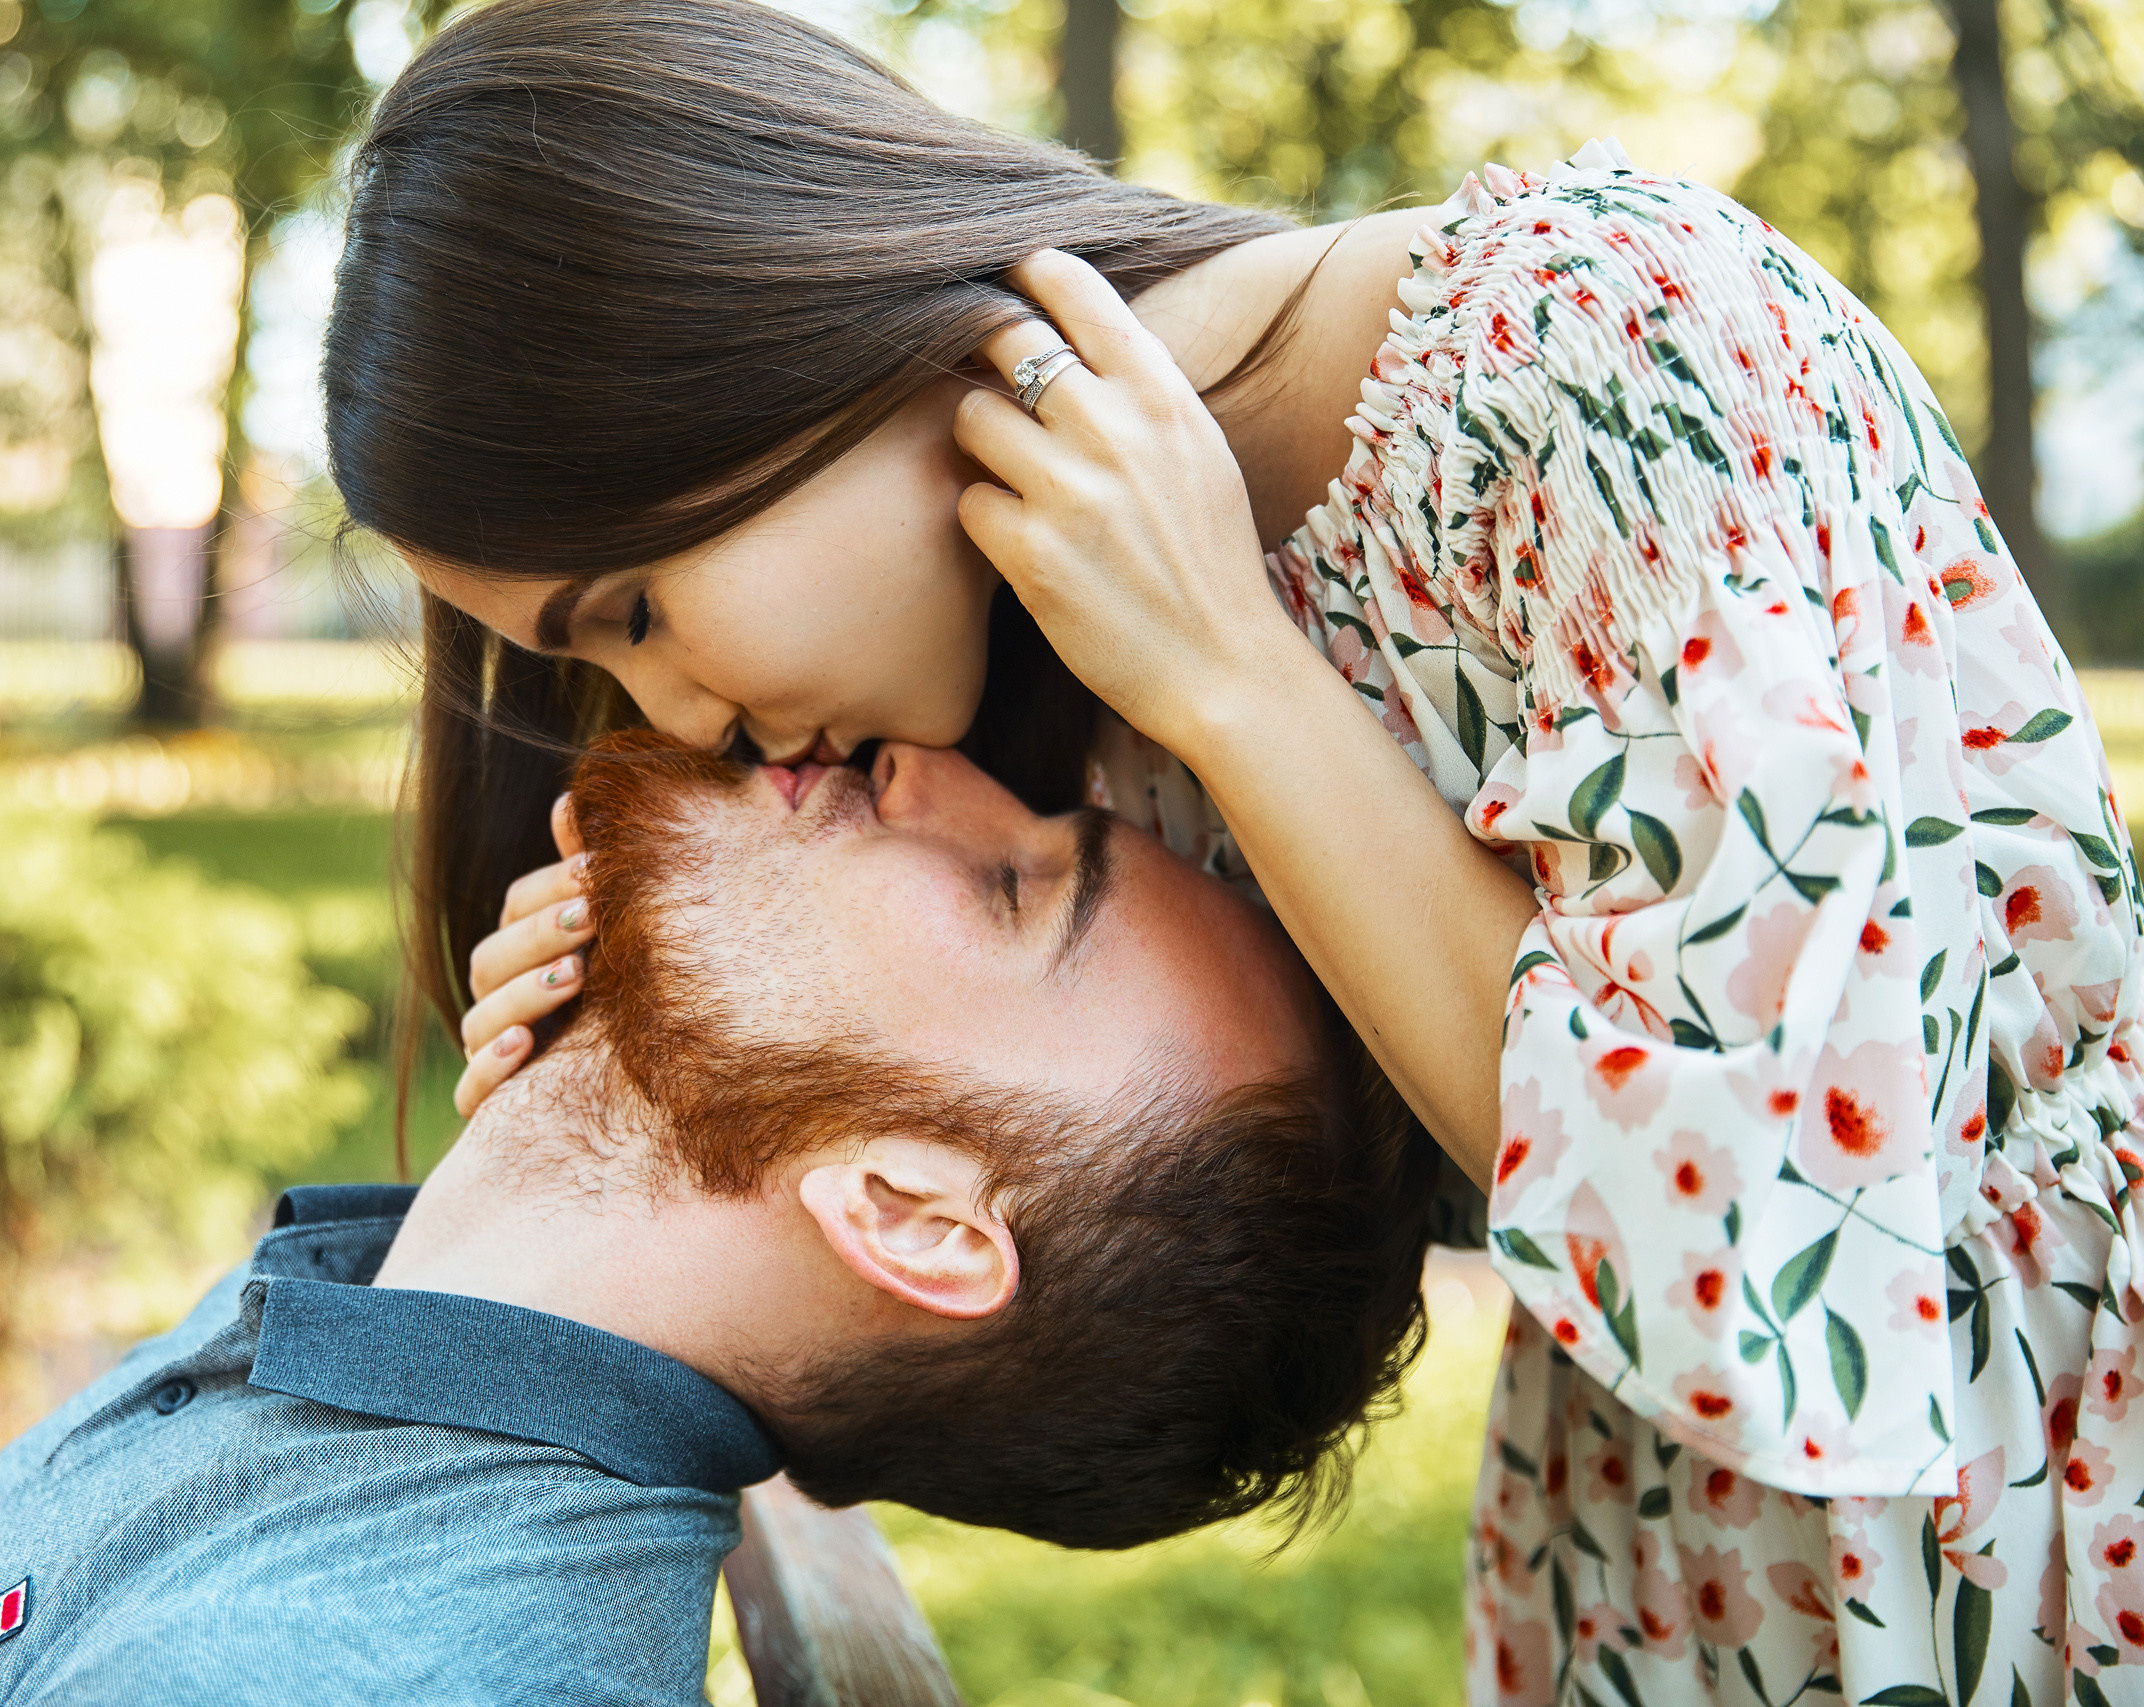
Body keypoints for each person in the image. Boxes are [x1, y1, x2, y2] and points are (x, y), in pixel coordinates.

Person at [322, 1, 2144, 1699]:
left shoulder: (1604, 344)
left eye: (635, 611)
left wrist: (1231, 673)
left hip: (2040, 1502)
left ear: (761, 339)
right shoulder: (1050, 668)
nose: (677, 716)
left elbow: (1790, 1274)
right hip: (1664, 1562)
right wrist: (633, 1107)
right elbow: (1208, 1329)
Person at [0, 735, 1435, 1705]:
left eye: (1011, 887)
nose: (924, 766)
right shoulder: (377, 1335)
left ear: (912, 1217)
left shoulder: (378, 1669)